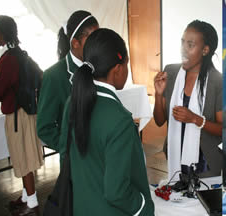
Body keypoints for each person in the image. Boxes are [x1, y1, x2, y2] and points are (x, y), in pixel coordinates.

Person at [58, 28, 154, 215]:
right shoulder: (119, 120)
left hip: (81, 207)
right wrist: (144, 207)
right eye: (127, 63)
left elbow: (65, 156)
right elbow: (117, 192)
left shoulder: (73, 101)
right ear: (118, 69)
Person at [0, 15, 44, 216]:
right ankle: (27, 197)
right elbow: (40, 76)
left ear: (2, 34)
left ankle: (32, 203)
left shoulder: (8, 59)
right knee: (26, 156)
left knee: (23, 158)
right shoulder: (21, 54)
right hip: (27, 112)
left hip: (17, 116)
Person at [153, 20, 223, 180]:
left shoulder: (217, 81)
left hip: (205, 163)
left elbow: (224, 130)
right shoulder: (170, 72)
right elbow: (159, 121)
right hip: (174, 156)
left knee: (202, 204)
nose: (183, 49)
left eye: (190, 45)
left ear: (205, 50)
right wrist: (158, 94)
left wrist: (195, 119)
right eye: (182, 43)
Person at [37, 10, 99, 157]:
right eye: (92, 40)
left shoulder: (100, 66)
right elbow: (44, 127)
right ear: (75, 43)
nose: (97, 45)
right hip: (76, 161)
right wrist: (70, 149)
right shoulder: (54, 76)